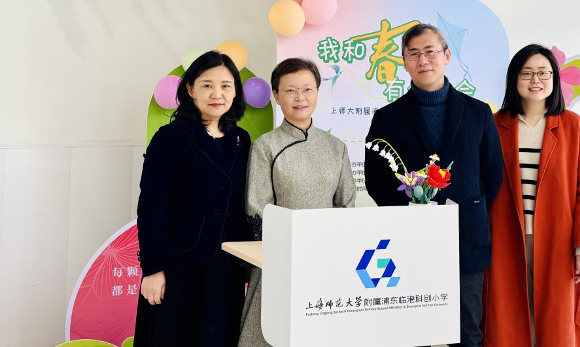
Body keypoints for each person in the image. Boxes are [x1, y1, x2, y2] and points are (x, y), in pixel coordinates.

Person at [364, 23, 503, 347]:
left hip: (466, 238)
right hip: (409, 240)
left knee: (467, 332)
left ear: (446, 56)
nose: (423, 60)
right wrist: (411, 210)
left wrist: (469, 205)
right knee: (413, 332)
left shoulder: (478, 113)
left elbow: (492, 174)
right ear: (404, 62)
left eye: (430, 51)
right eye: (413, 54)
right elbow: (376, 179)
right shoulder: (387, 118)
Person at [482, 44, 580, 347]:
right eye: (526, 73)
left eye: (543, 73)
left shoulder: (571, 125)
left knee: (557, 321)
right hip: (504, 238)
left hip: (559, 241)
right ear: (514, 78)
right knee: (509, 317)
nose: (535, 80)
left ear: (554, 79)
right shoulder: (494, 125)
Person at [134, 51, 251, 346]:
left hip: (226, 265)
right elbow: (150, 209)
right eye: (207, 85)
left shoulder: (241, 139)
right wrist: (152, 269)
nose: (217, 94)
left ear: (235, 91)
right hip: (178, 266)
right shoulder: (170, 138)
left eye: (225, 86)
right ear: (190, 89)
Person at [238, 57, 356, 347]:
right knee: (271, 334)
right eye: (290, 91)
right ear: (276, 96)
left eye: (307, 89)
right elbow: (258, 208)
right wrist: (286, 248)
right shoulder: (265, 146)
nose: (300, 98)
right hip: (279, 259)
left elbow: (346, 204)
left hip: (326, 259)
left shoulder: (335, 147)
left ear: (317, 92)